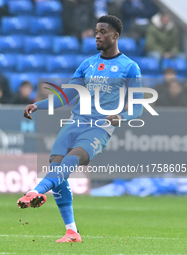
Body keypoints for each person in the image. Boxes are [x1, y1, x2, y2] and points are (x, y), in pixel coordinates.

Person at [17, 15, 144, 243]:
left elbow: (137, 106)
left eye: (103, 31)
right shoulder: (88, 64)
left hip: (99, 128)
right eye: (96, 30)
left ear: (115, 36)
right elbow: (67, 95)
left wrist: (121, 116)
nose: (97, 35)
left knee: (71, 161)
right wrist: (39, 105)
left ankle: (35, 191)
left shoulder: (130, 67)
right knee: (57, 167)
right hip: (74, 123)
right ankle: (71, 231)